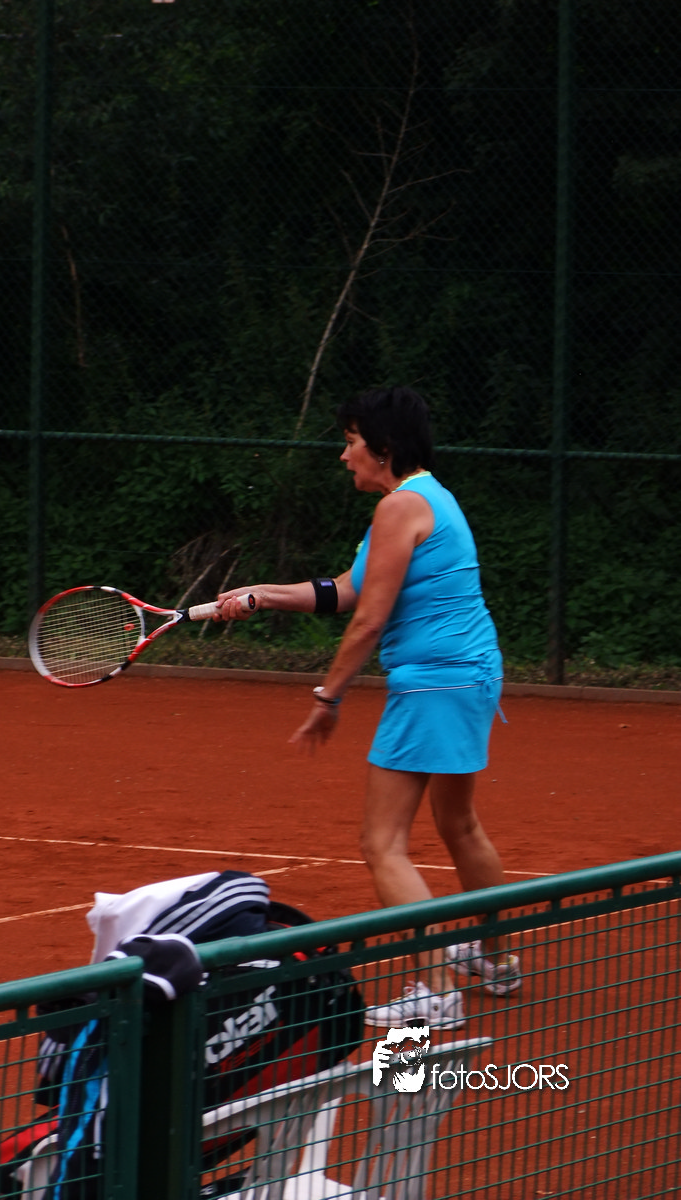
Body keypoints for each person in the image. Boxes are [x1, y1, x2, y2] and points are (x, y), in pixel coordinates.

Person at [213, 385, 519, 1029]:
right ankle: (496, 960)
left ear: (383, 448)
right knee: (459, 825)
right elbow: (348, 591)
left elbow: (370, 621)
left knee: (381, 844)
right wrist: (262, 594)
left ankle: (437, 990)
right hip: (470, 674)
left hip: (433, 685)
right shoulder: (426, 497)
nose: (343, 454)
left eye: (351, 442)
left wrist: (327, 697)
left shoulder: (399, 507)